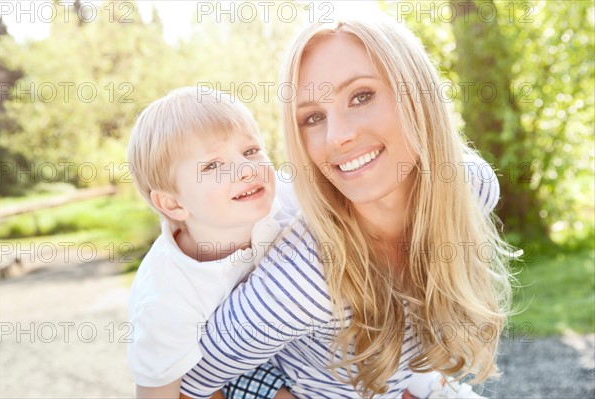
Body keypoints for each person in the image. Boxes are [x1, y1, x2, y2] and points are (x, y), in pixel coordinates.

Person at [181, 12, 515, 399]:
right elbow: (188, 380)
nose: (338, 136)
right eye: (313, 117)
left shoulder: (473, 185)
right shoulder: (306, 277)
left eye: (361, 96)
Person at [126, 87, 296, 398]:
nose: (247, 169)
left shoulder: (286, 197)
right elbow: (158, 389)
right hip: (218, 374)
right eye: (212, 166)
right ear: (173, 203)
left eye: (251, 151)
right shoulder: (167, 297)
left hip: (288, 343)